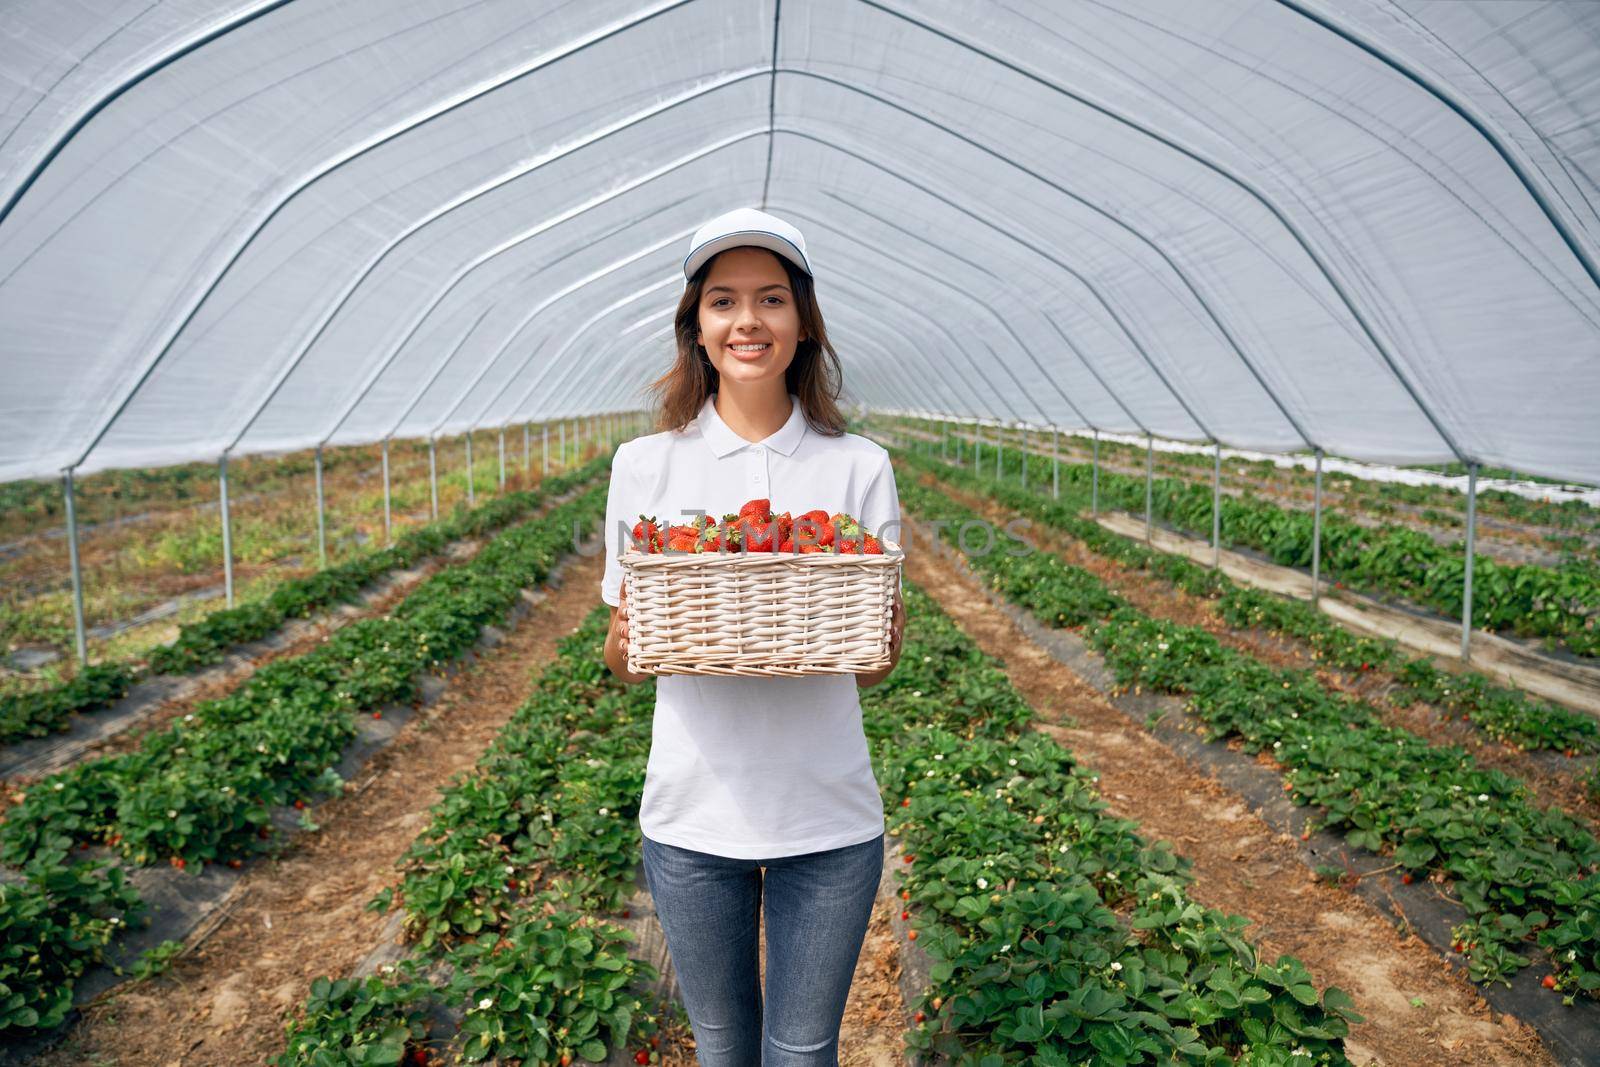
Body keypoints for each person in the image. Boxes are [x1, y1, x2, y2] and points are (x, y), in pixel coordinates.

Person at [599, 206, 907, 1065]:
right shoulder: (645, 464)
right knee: (724, 1047)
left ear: (803, 321)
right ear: (696, 326)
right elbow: (624, 659)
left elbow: (873, 666)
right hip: (693, 815)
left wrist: (882, 638)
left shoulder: (858, 466)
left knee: (804, 1051)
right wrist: (630, 633)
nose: (748, 321)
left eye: (771, 299)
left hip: (829, 816)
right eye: (724, 300)